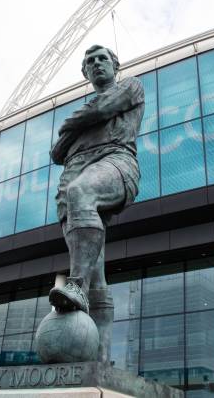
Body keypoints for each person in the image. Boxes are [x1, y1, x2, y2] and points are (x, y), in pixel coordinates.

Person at [48, 44, 144, 363]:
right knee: (97, 274)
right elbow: (57, 152)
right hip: (73, 175)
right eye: (90, 61)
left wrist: (74, 122)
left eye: (103, 58)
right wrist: (81, 122)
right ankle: (100, 357)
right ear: (85, 73)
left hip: (115, 161)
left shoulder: (131, 86)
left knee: (82, 191)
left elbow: (100, 111)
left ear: (115, 65)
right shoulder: (88, 110)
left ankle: (75, 285)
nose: (97, 63)